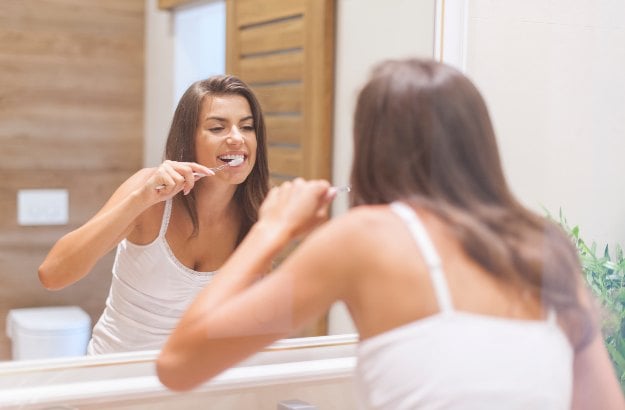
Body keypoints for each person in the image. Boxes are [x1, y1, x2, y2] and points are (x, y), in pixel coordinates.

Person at [156, 59, 624, 409]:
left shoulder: (364, 239)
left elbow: (179, 364)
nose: (235, 138)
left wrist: (272, 229)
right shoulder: (544, 244)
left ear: (373, 147)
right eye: (217, 126)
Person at [38, 75, 270, 355]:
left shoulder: (260, 215)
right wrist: (140, 200)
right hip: (118, 379)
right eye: (217, 127)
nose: (236, 137)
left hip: (194, 383)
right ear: (189, 139)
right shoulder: (148, 193)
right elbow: (52, 275)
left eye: (247, 127)